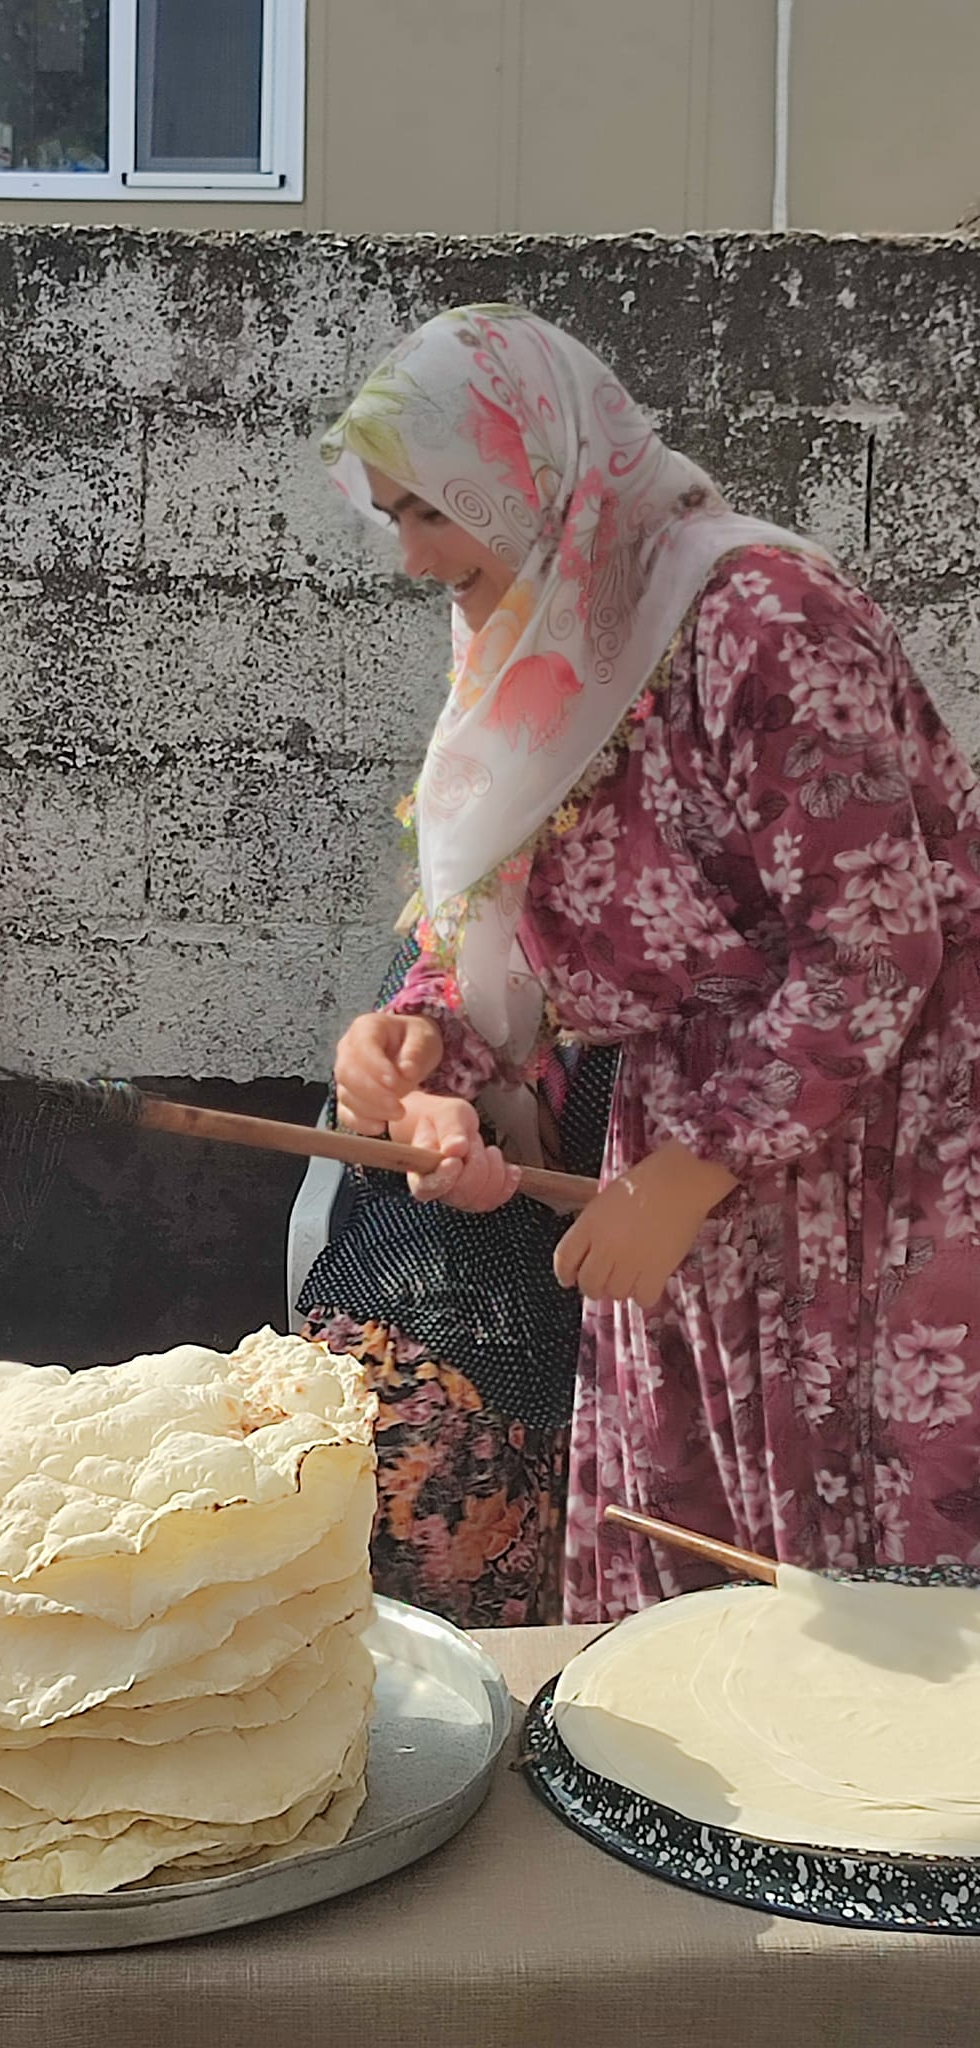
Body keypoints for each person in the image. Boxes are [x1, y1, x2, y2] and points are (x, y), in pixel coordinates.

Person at [323, 304, 980, 1623]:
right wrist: (423, 1052)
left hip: (874, 1161)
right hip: (681, 1152)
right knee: (689, 1588)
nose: (409, 554)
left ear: (524, 481)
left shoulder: (765, 621)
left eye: (429, 511)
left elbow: (873, 946)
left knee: (861, 1611)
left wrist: (692, 1174)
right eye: (391, 514)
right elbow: (505, 927)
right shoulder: (532, 657)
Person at [294, 924, 615, 1628]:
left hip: (622, 1304)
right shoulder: (476, 905)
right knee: (382, 1456)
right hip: (426, 1273)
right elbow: (392, 1099)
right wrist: (417, 1114)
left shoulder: (692, 948)